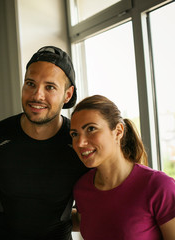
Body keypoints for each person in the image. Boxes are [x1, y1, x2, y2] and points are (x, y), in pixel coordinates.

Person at [0, 46, 89, 239]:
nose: (37, 95)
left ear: (68, 95)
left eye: (50, 87)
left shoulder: (78, 143)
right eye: (30, 83)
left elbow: (96, 207)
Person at [70, 94, 175, 240]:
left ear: (118, 131)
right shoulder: (82, 189)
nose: (80, 142)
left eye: (91, 129)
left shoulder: (159, 186)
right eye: (74, 134)